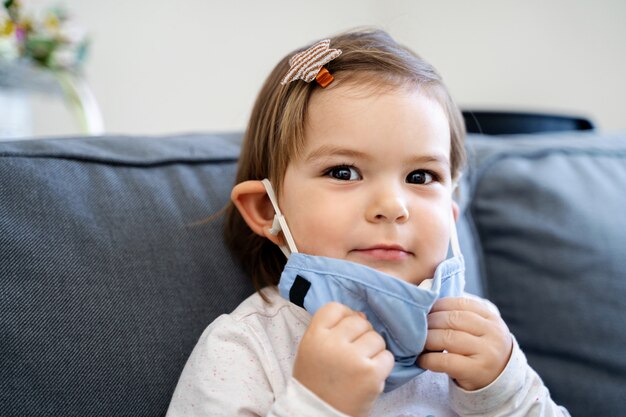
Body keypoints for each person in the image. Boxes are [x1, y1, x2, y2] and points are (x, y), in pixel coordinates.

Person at [166, 28, 569, 417]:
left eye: (420, 177)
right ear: (268, 211)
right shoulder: (246, 348)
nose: (392, 206)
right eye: (344, 172)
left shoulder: (478, 342)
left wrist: (505, 392)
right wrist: (317, 405)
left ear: (450, 214)